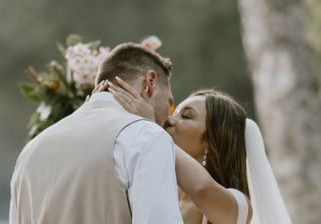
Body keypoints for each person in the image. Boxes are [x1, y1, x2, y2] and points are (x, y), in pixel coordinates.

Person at [9, 43, 183, 224]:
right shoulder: (147, 136)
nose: (170, 118)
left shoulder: (30, 150)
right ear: (150, 83)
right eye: (170, 104)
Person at [106, 79, 292, 224]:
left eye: (185, 116)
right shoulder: (152, 190)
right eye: (174, 112)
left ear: (211, 142)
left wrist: (150, 127)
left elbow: (202, 190)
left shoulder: (239, 206)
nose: (170, 120)